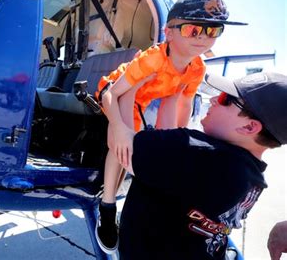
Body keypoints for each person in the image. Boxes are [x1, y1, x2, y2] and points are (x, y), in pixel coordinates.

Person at [95, 0, 247, 253]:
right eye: (192, 29)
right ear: (170, 32)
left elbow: (181, 102)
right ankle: (107, 206)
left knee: (165, 147)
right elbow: (113, 93)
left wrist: (178, 145)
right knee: (121, 146)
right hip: (120, 90)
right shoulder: (153, 59)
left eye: (213, 31)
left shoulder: (197, 68)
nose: (202, 37)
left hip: (155, 95)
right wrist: (119, 129)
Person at [115, 71, 286, 259]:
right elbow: (172, 157)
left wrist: (122, 94)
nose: (213, 99)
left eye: (225, 98)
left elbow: (122, 146)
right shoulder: (253, 177)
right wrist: (172, 99)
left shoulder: (196, 151)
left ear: (249, 127)